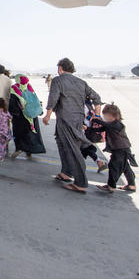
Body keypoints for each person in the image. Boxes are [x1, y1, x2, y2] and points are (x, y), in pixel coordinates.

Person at [43, 58, 102, 193]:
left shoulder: (58, 80)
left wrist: (47, 115)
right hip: (77, 120)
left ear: (60, 68)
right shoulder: (81, 82)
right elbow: (97, 98)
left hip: (66, 119)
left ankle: (80, 182)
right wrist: (96, 115)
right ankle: (66, 172)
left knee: (72, 148)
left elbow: (53, 98)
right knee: (61, 143)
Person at [94, 104, 137, 193]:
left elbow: (106, 125)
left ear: (113, 116)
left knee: (113, 166)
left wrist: (97, 120)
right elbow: (101, 129)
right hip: (122, 148)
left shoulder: (117, 124)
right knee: (125, 167)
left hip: (120, 149)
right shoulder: (111, 124)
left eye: (106, 116)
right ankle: (131, 185)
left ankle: (111, 186)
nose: (105, 118)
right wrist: (89, 129)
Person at [9, 75, 46, 158]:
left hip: (20, 116)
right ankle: (30, 150)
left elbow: (12, 104)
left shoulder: (14, 88)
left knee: (19, 133)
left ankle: (19, 148)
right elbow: (36, 100)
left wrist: (12, 113)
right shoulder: (29, 87)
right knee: (31, 133)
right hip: (32, 115)